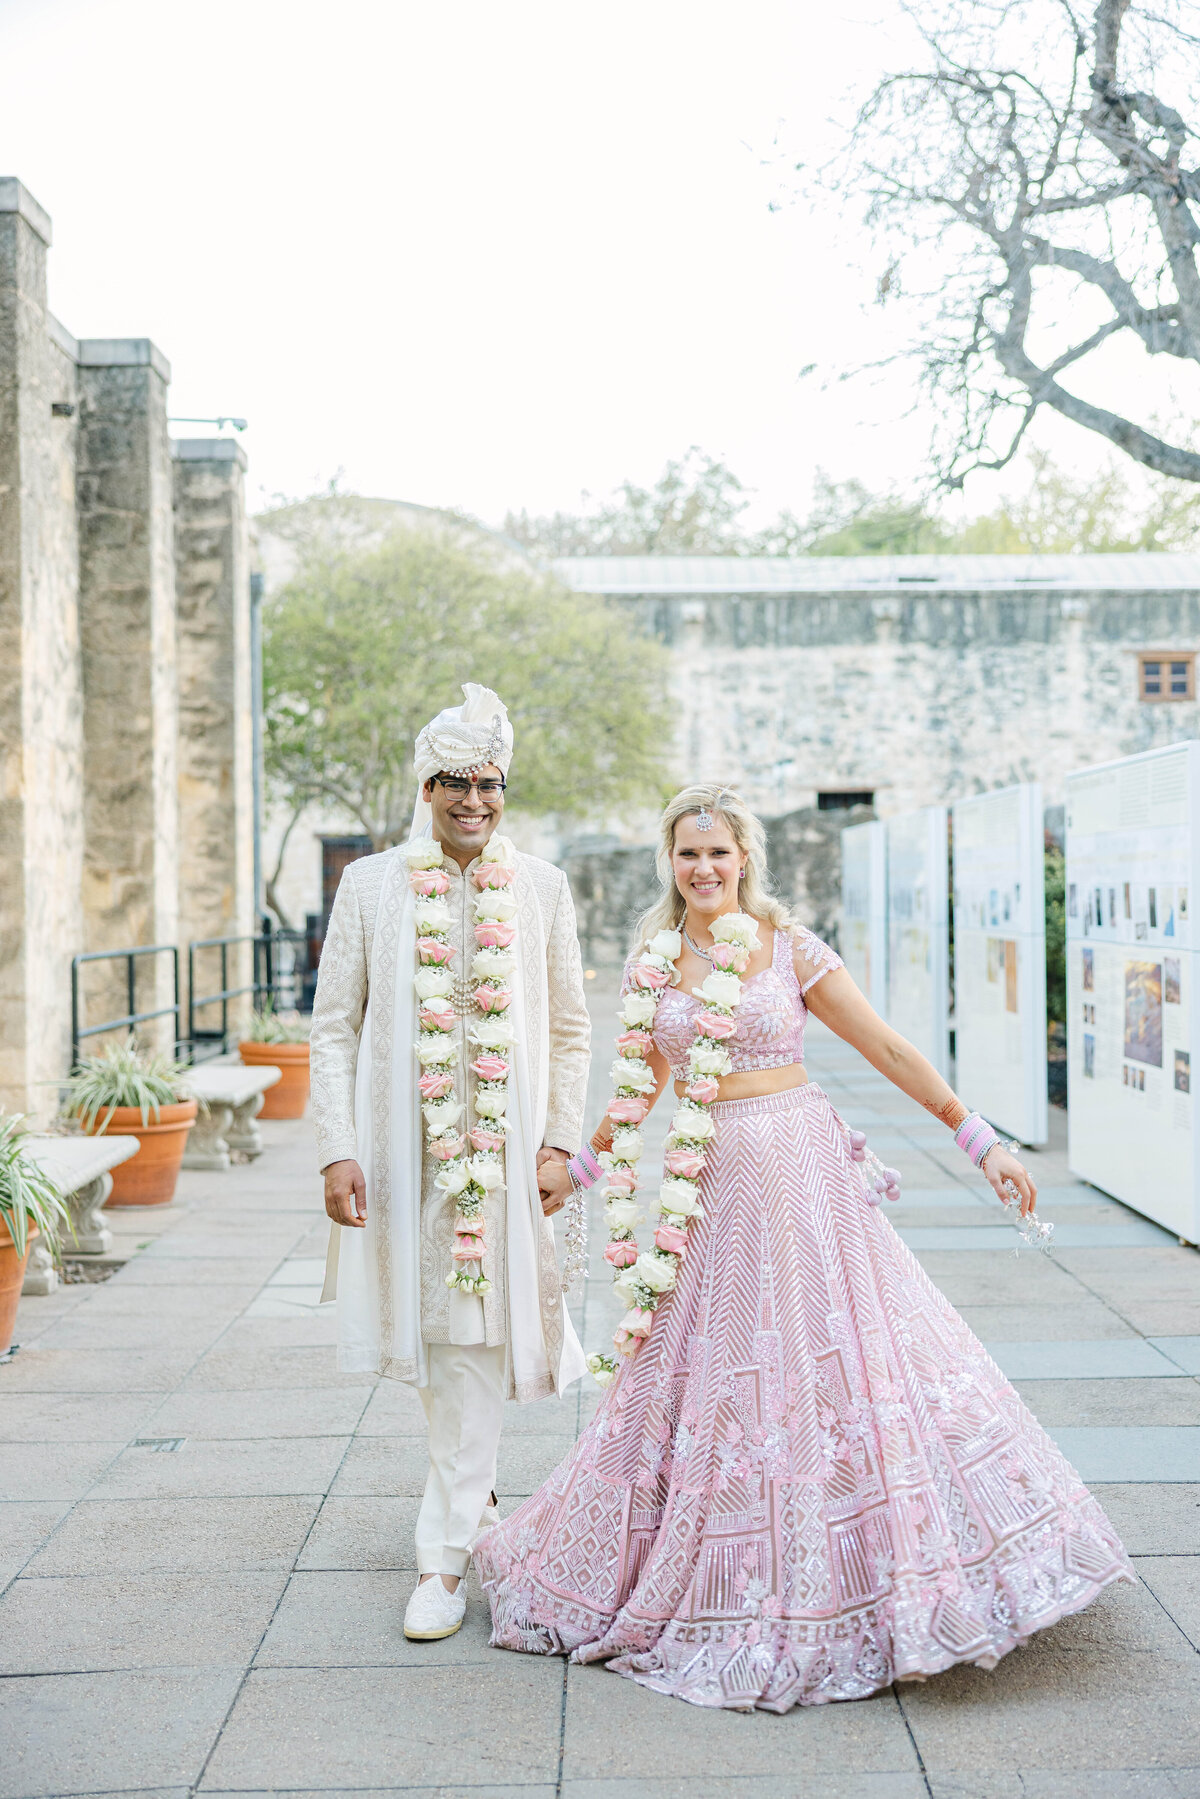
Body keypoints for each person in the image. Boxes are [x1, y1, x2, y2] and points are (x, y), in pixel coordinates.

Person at [475, 783, 1132, 1711]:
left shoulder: (790, 947)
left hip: (801, 1173)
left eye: (719, 851)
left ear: (745, 857)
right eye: (688, 852)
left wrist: (979, 1137)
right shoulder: (654, 961)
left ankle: (872, 1561)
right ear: (671, 862)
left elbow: (886, 1048)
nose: (704, 867)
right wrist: (578, 1169)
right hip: (712, 1185)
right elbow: (640, 1087)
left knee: (839, 1355)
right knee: (706, 1363)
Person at [310, 684, 590, 1643]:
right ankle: (478, 1497)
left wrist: (560, 1141)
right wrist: (337, 1146)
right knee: (433, 1342)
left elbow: (571, 1029)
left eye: (490, 783)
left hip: (505, 1162)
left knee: (472, 1339)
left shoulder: (542, 887)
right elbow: (333, 1028)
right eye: (456, 783)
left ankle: (442, 1558)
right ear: (426, 787)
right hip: (401, 1156)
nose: (475, 800)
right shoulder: (371, 886)